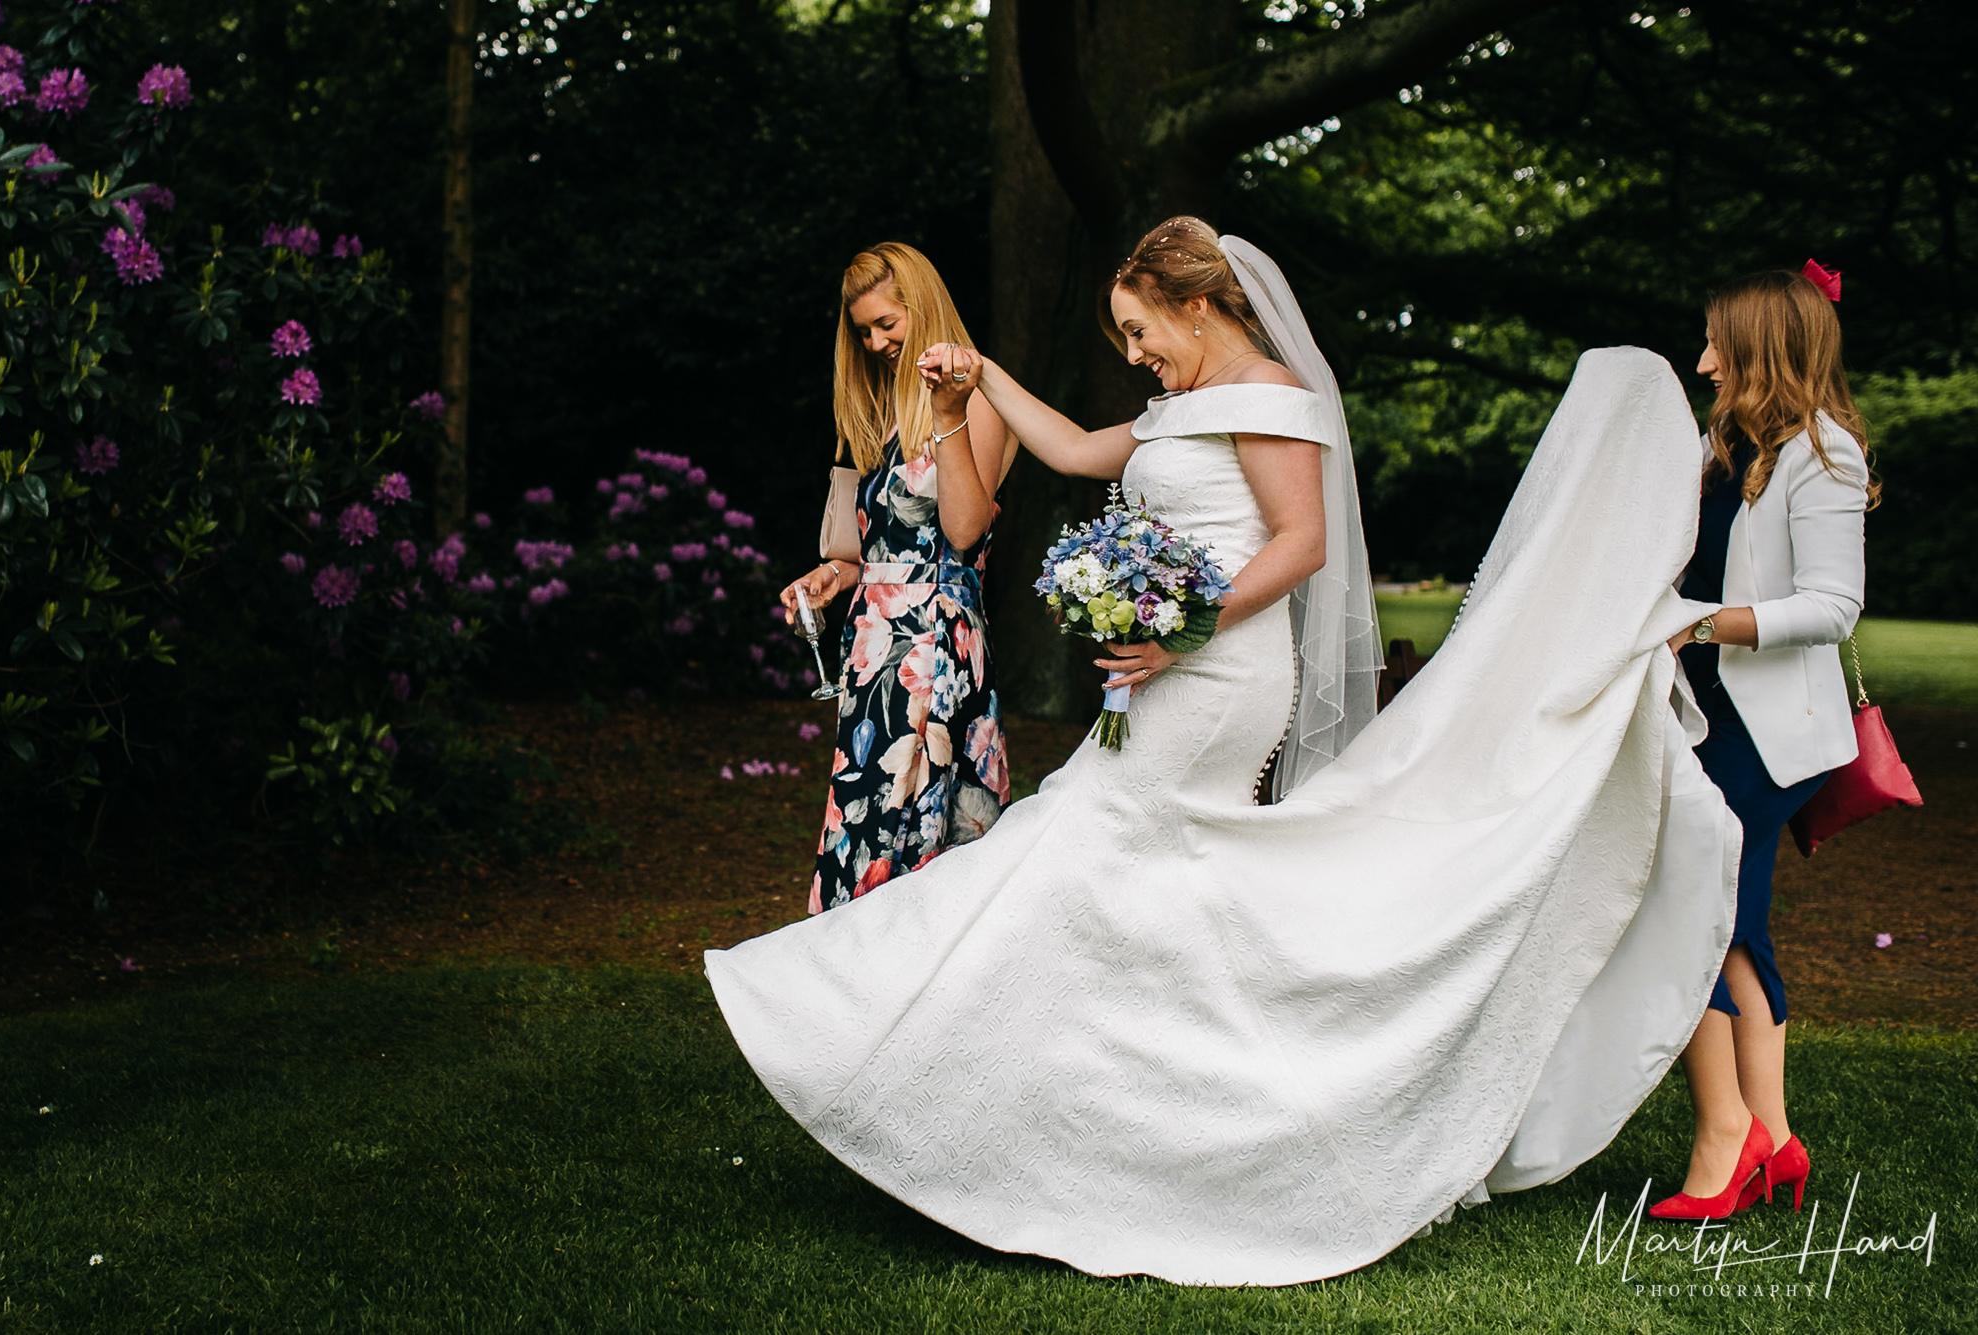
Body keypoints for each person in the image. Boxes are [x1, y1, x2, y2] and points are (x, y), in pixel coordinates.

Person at [708, 217, 1738, 1285]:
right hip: (1166, 673)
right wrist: (977, 376)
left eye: (1139, 330)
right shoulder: (1180, 408)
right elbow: (1066, 451)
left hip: (1220, 678)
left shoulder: (1271, 399)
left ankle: (919, 1053)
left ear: (1193, 302)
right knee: (1144, 883)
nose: (1134, 354)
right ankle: (1169, 1118)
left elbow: (1302, 544)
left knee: (1077, 852)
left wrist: (1185, 627)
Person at [1648, 267, 1874, 1221]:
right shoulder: (1724, 444)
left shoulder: (1826, 455)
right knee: (1735, 923)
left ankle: (1724, 1141)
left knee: (1694, 913)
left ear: (1763, 351)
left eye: (1717, 345)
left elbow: (1833, 607)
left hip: (1769, 729)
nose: (1702, 362)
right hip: (1704, 713)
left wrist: (1696, 625)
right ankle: (1774, 1138)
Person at [778, 243, 1014, 916]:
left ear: (924, 306)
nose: (878, 341)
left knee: (912, 818)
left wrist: (948, 415)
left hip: (933, 639)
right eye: (865, 331)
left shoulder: (975, 400)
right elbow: (881, 542)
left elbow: (964, 531)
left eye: (889, 322)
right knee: (866, 812)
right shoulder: (883, 411)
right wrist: (835, 573)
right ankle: (857, 974)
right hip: (875, 645)